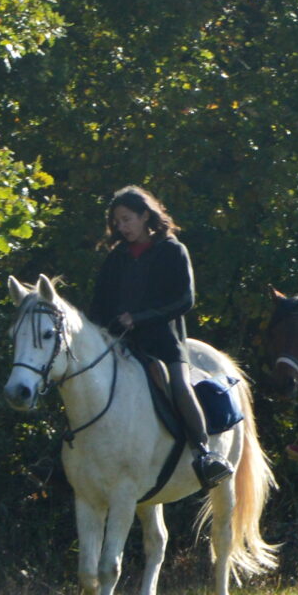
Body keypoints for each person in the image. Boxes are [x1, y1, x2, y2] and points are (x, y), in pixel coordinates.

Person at [86, 185, 230, 488]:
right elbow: (98, 305)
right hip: (122, 343)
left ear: (144, 215)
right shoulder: (116, 258)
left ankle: (204, 454)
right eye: (118, 222)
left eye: (127, 219)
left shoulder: (172, 250)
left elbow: (184, 300)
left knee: (178, 385)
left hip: (164, 343)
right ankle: (65, 458)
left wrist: (139, 318)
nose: (122, 227)